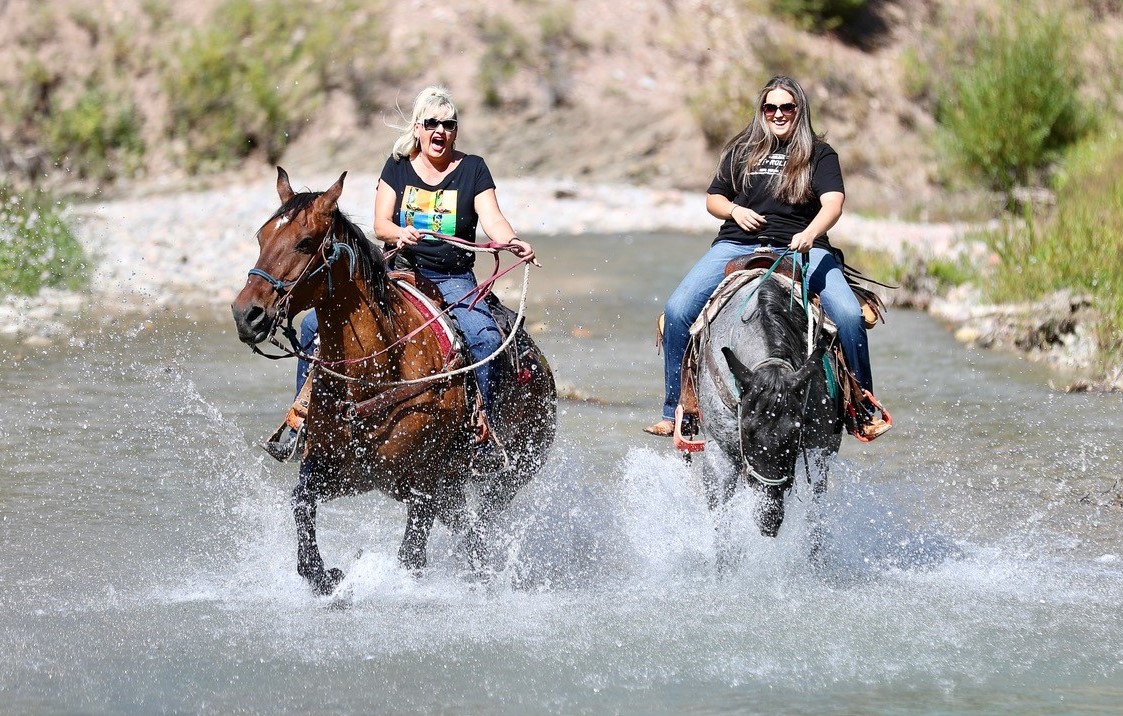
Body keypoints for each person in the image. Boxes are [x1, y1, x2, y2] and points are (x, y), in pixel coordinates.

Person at [270, 86, 534, 460]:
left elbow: (492, 219)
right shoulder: (397, 167)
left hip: (452, 278)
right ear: (417, 128)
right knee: (312, 327)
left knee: (485, 339)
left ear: (455, 130)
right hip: (397, 271)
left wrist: (512, 241)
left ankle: (483, 433)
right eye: (432, 123)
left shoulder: (473, 169)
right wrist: (398, 232)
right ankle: (304, 424)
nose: (440, 131)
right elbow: (380, 223)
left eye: (449, 124)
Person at [644, 75, 889, 442]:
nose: (778, 114)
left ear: (799, 110)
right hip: (737, 245)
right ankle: (678, 411)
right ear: (761, 111)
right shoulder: (743, 150)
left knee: (849, 316)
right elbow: (714, 199)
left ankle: (861, 406)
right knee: (678, 310)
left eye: (786, 107)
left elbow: (833, 203)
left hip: (802, 247)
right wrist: (734, 211)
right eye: (770, 107)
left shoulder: (820, 154)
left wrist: (810, 232)